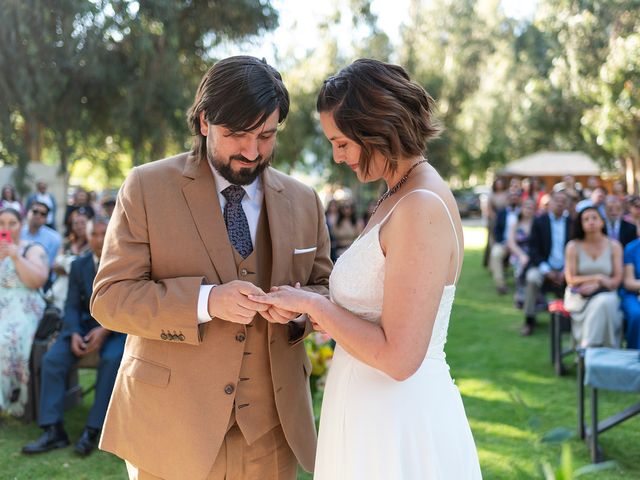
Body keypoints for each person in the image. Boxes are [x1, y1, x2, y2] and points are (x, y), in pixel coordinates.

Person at [89, 56, 332, 480]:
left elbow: (324, 287)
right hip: (171, 427)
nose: (252, 151)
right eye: (237, 134)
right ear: (204, 122)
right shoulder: (147, 187)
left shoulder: (304, 199)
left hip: (271, 434)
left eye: (266, 135)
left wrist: (301, 309)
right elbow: (110, 298)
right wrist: (206, 301)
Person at [251, 59, 481, 479]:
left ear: (376, 127)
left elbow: (399, 358)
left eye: (342, 143)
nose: (338, 157)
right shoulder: (398, 192)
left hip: (398, 420)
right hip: (365, 408)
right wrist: (311, 305)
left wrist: (313, 305)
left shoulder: (420, 207)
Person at [22, 217, 125, 456]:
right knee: (52, 360)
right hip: (81, 328)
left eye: (103, 233)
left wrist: (105, 329)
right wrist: (75, 333)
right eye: (94, 235)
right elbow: (70, 305)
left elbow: (128, 303)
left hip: (116, 330)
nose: (99, 239)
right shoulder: (79, 265)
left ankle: (93, 429)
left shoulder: (124, 262)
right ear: (86, 237)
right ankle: (53, 429)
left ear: (112, 233)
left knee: (112, 360)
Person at [0, 207, 49, 416]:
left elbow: (37, 280)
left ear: (21, 224)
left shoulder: (32, 248)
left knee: (5, 337)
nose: (7, 228)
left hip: (24, 307)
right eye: (2, 223)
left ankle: (7, 399)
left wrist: (16, 257)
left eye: (12, 223)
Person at [564, 207, 623, 348]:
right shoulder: (573, 246)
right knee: (602, 304)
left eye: (594, 218)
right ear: (581, 224)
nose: (591, 222)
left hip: (607, 292)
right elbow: (571, 279)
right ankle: (602, 351)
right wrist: (598, 278)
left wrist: (600, 284)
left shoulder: (614, 246)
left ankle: (588, 347)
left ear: (602, 222)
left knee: (604, 302)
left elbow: (616, 280)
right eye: (586, 219)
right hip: (579, 296)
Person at [522, 190, 572, 336]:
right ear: (550, 203)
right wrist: (546, 270)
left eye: (563, 201)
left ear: (567, 204)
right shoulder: (539, 221)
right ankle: (529, 320)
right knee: (531, 278)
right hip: (543, 266)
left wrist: (566, 270)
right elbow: (533, 249)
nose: (560, 203)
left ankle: (568, 320)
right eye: (557, 200)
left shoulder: (572, 223)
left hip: (566, 267)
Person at [51, 211, 90, 311]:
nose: (79, 226)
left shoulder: (93, 245)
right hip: (62, 289)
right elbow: (55, 266)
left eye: (83, 223)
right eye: (76, 223)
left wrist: (67, 267)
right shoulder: (67, 243)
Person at [489, 191, 521, 294]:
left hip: (519, 245)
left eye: (516, 197)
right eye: (511, 197)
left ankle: (521, 284)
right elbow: (497, 230)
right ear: (508, 199)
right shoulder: (501, 213)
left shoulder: (522, 213)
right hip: (503, 244)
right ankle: (500, 284)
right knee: (495, 254)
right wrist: (503, 243)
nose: (513, 199)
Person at [507, 198, 536, 308]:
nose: (529, 210)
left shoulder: (536, 223)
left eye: (531, 208)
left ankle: (534, 297)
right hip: (518, 253)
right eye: (527, 207)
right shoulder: (516, 224)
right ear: (522, 208)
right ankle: (520, 297)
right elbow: (511, 243)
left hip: (533, 254)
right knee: (521, 266)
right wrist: (521, 255)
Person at [21, 201, 62, 269]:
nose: (38, 216)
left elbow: (54, 265)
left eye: (43, 214)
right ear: (28, 212)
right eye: (35, 211)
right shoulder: (18, 233)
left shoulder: (54, 238)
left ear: (46, 218)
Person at [621, 237, 640, 348]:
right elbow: (628, 282)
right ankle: (633, 353)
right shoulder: (631, 248)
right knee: (636, 314)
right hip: (632, 294)